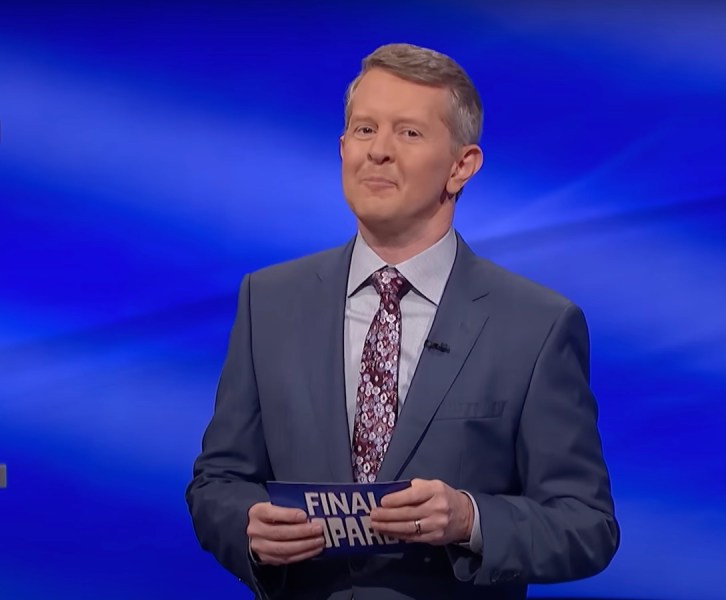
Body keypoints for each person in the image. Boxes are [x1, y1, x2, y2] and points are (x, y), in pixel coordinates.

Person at [186, 42, 619, 600]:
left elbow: (587, 525)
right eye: (365, 131)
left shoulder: (536, 326)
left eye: (409, 133)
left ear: (462, 166)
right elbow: (216, 484)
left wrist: (469, 519)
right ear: (342, 149)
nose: (379, 152)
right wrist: (247, 524)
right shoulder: (267, 301)